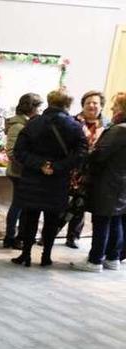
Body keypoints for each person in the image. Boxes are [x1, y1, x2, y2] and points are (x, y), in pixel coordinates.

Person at [12, 89, 88, 267]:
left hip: (33, 178)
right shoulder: (75, 126)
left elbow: (19, 151)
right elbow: (81, 153)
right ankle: (46, 256)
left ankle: (26, 254)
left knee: (30, 217)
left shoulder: (33, 124)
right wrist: (57, 166)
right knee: (52, 219)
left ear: (48, 102)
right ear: (68, 104)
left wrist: (41, 164)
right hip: (58, 180)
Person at [72, 92, 126, 272]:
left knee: (102, 220)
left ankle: (95, 260)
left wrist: (89, 154)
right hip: (121, 183)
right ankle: (113, 258)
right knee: (116, 220)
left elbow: (100, 154)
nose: (112, 109)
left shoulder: (118, 130)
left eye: (116, 106)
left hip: (108, 183)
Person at [65, 90, 110, 248]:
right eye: (88, 102)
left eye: (95, 103)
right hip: (71, 169)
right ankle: (49, 234)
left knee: (80, 205)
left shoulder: (108, 126)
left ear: (101, 106)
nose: (91, 105)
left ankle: (73, 237)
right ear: (82, 105)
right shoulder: (72, 121)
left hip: (91, 172)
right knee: (63, 203)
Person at [3, 93, 44, 249]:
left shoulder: (27, 124)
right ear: (31, 107)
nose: (40, 110)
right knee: (18, 205)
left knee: (20, 205)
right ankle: (10, 236)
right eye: (39, 107)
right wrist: (29, 165)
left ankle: (17, 236)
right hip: (18, 172)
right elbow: (12, 152)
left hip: (23, 171)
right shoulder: (18, 126)